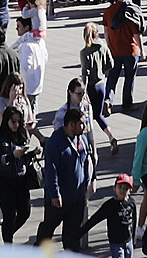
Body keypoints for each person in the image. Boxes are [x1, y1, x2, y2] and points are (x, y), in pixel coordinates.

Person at [41, 106, 98, 247]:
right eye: (81, 124)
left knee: (72, 237)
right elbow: (51, 170)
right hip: (59, 199)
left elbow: (87, 162)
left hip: (77, 198)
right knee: (48, 229)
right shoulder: (55, 142)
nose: (84, 127)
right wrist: (55, 194)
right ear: (71, 124)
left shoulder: (82, 139)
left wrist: (90, 180)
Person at [0, 103, 41, 242]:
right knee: (9, 213)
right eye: (13, 121)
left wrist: (32, 153)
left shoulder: (22, 134)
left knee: (25, 212)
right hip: (3, 180)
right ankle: (8, 243)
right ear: (6, 120)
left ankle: (8, 233)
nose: (16, 125)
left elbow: (23, 158)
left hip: (21, 179)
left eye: (19, 121)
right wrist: (12, 155)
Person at [84, 172, 141, 258]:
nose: (122, 190)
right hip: (116, 242)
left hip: (128, 241)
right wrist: (78, 234)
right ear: (114, 188)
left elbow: (133, 221)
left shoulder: (131, 203)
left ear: (130, 191)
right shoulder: (110, 205)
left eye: (126, 188)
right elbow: (95, 219)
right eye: (120, 187)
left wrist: (133, 239)